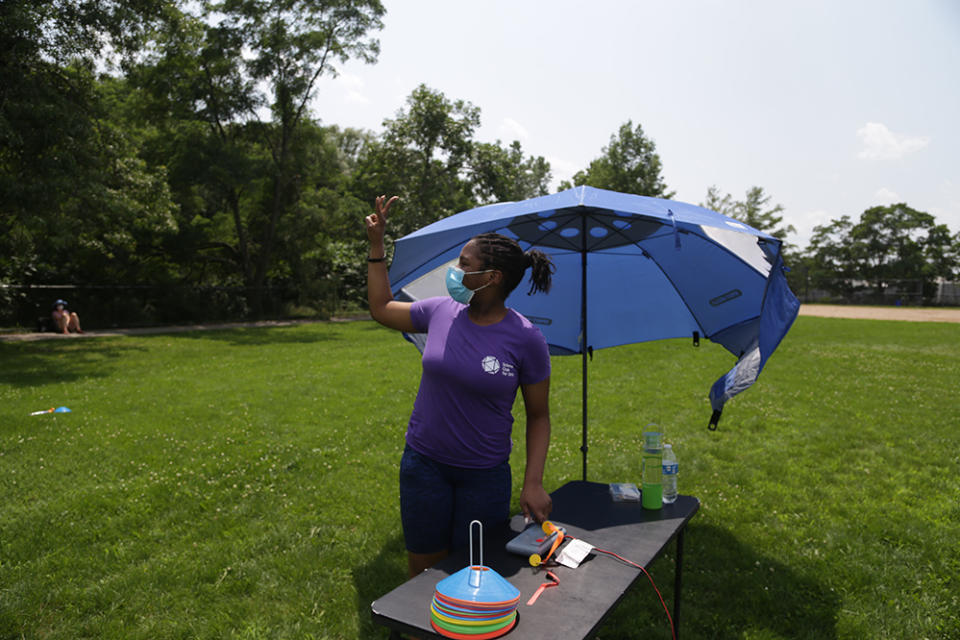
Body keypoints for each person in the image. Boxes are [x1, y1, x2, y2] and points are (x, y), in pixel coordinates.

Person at [365, 194, 556, 578]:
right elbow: (382, 308)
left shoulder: (525, 338)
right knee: (423, 571)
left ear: (491, 277)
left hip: (484, 476)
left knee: (474, 573)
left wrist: (532, 482)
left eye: (463, 265)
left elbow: (539, 416)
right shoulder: (439, 312)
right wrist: (376, 246)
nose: (455, 270)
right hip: (424, 466)